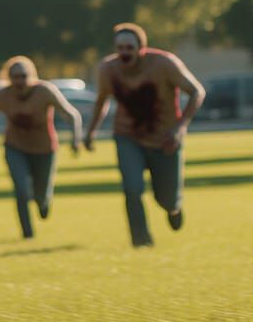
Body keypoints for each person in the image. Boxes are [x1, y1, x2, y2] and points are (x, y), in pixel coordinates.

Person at [83, 23, 205, 247]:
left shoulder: (164, 64)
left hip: (166, 138)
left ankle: (173, 208)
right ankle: (141, 241)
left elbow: (197, 91)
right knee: (132, 188)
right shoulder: (108, 69)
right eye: (120, 48)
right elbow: (102, 101)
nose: (124, 53)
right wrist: (90, 132)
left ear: (141, 48)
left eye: (129, 47)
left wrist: (180, 128)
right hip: (127, 136)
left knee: (167, 199)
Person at [0, 55, 81, 239]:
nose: (19, 81)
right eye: (15, 77)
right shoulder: (3, 95)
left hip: (44, 149)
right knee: (21, 189)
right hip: (15, 148)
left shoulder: (44, 91)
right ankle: (27, 232)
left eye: (23, 76)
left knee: (41, 194)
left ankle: (43, 203)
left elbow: (71, 114)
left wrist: (75, 139)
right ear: (8, 77)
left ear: (31, 75)